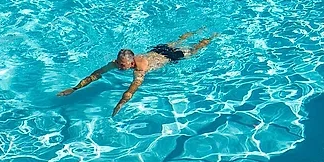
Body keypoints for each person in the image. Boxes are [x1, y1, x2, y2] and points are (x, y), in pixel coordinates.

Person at [58, 31, 217, 115]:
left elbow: (132, 89)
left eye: (123, 65)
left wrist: (121, 103)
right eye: (119, 63)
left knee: (194, 49)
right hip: (157, 49)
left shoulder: (140, 68)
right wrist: (75, 88)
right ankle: (198, 30)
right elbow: (96, 74)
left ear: (132, 62)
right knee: (177, 40)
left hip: (168, 56)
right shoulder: (116, 63)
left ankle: (211, 37)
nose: (119, 67)